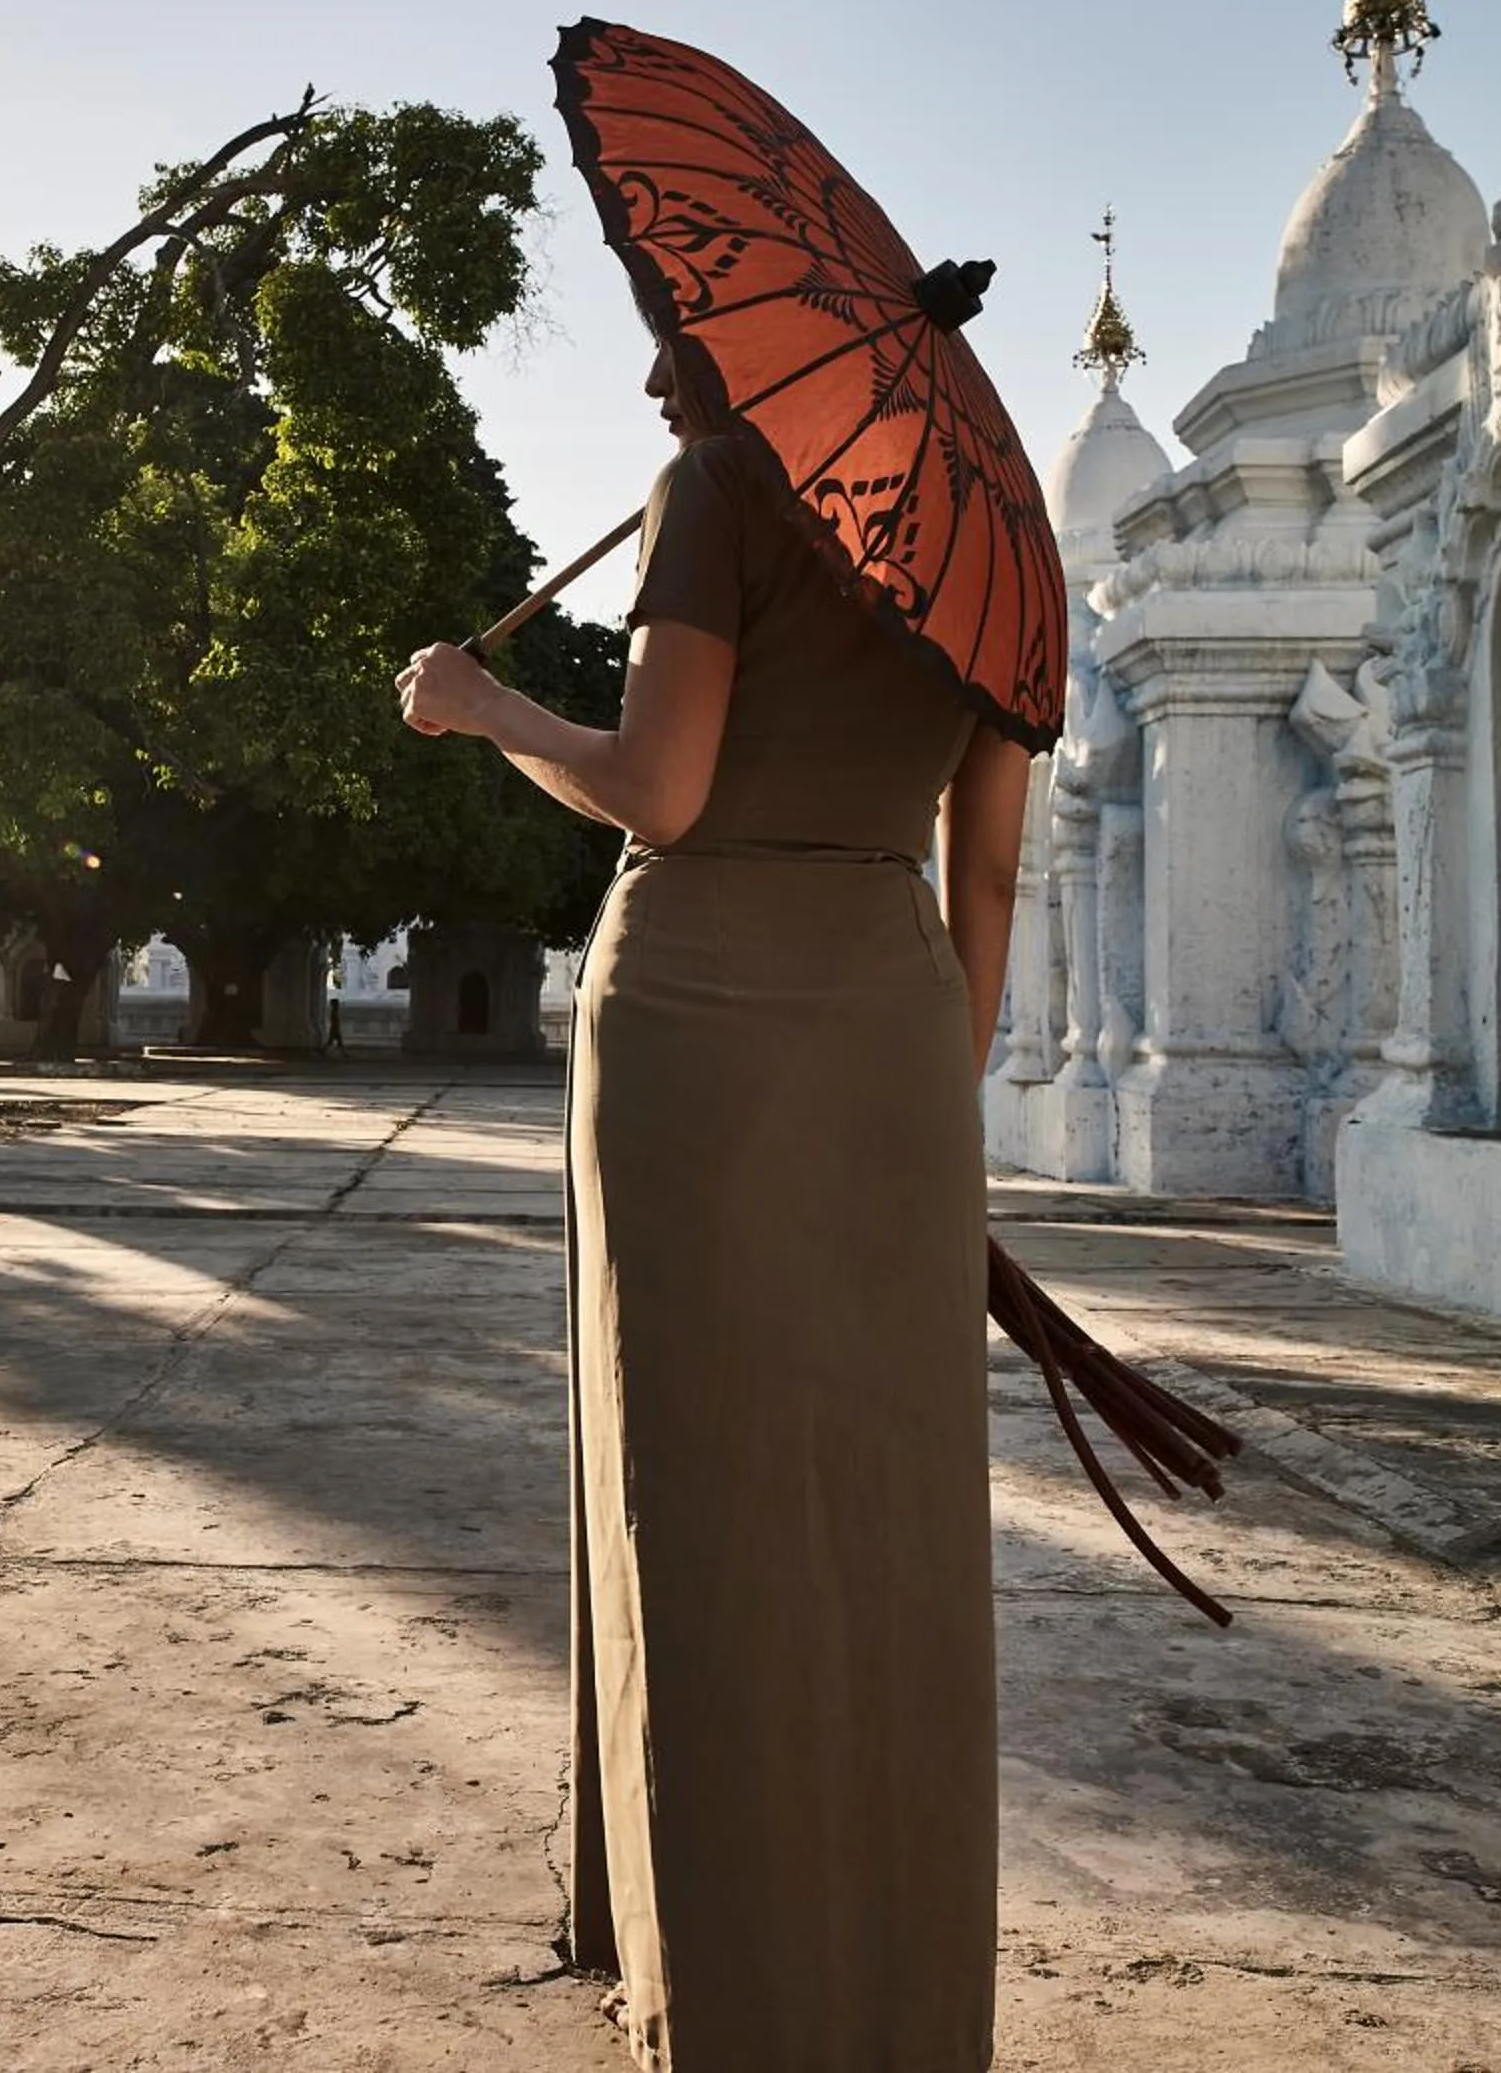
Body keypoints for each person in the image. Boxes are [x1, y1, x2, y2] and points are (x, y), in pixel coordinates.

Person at [394, 338, 1029, 2073]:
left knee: (700, 1480)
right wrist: (925, 1092)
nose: (665, 383)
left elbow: (661, 790)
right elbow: (984, 867)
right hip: (901, 1027)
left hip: (701, 1005)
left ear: (754, 351)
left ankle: (717, 1983)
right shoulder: (993, 550)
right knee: (885, 1524)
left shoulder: (724, 487)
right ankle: (897, 2013)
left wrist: (487, 709)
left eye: (682, 354)